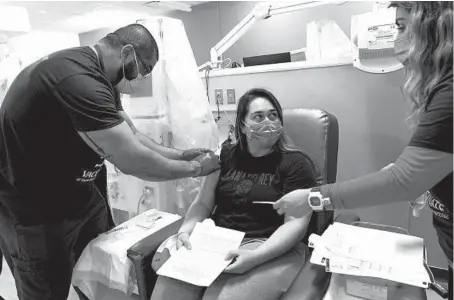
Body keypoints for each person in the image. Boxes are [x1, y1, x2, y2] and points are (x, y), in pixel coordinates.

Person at [0, 23, 220, 300]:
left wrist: (179, 155)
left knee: (96, 278)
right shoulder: (77, 79)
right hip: (36, 210)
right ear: (127, 53)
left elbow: (132, 135)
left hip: (80, 197)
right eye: (145, 69)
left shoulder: (101, 77)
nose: (141, 79)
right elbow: (132, 160)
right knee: (46, 291)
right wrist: (196, 169)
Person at [274, 2, 453, 298]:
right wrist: (431, 180)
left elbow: (402, 181)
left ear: (433, 26)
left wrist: (312, 198)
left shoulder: (450, 94)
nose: (396, 38)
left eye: (402, 26)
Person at [151, 88, 318, 300]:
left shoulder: (297, 164)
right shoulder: (225, 155)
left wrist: (256, 257)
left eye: (273, 115)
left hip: (270, 245)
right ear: (243, 125)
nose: (268, 121)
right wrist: (186, 230)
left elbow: (295, 224)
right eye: (258, 116)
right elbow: (202, 203)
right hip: (218, 241)